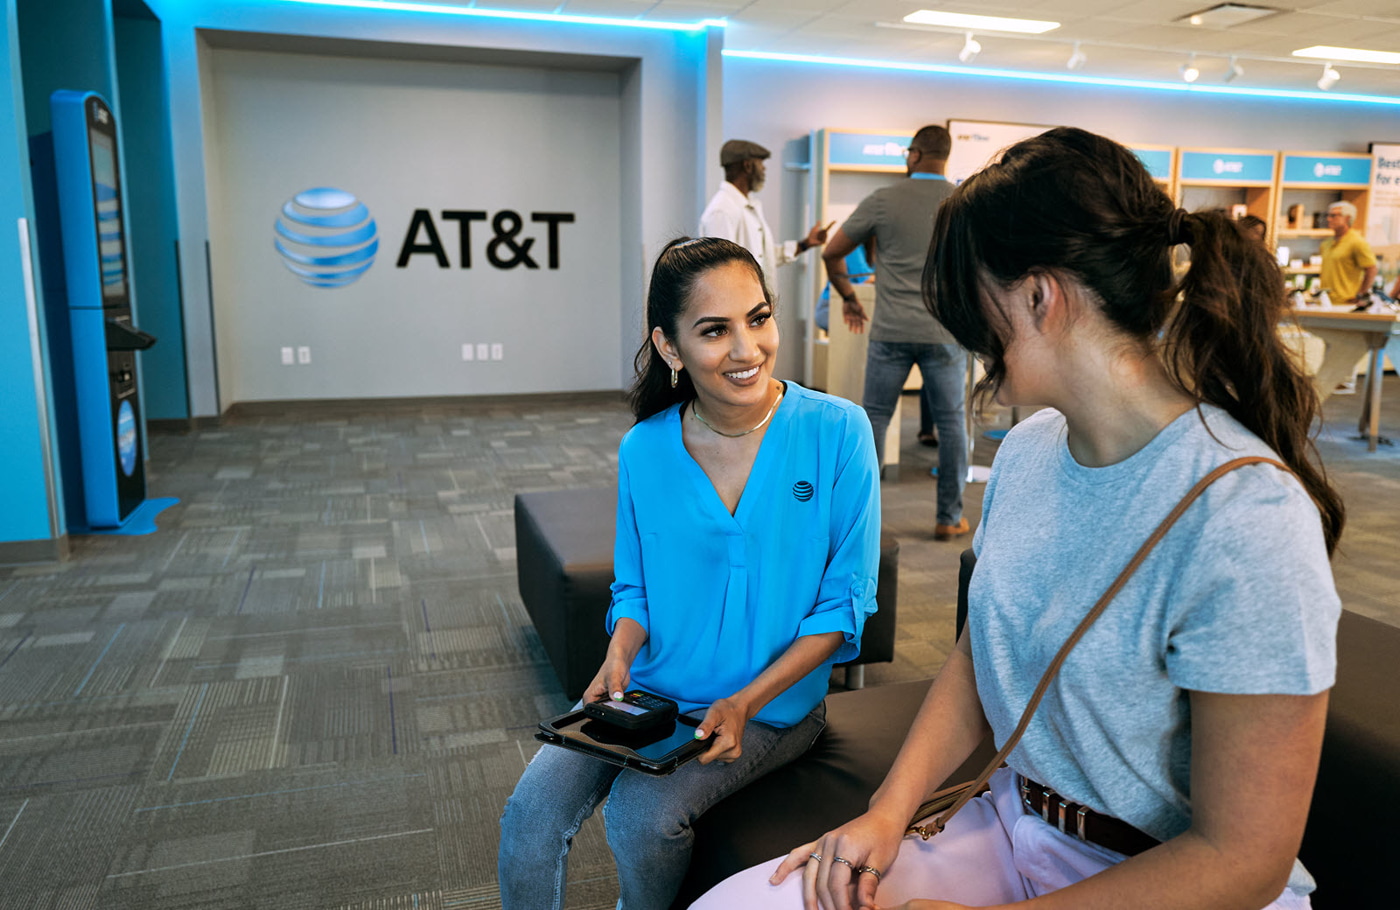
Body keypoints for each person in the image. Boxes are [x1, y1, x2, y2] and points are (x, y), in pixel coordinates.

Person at [693, 127, 1345, 910]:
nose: (970, 339)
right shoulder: (1031, 451)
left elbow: (1243, 860)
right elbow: (978, 658)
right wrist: (888, 813)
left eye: (977, 308)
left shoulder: (1247, 516)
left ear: (1040, 296)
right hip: (1016, 827)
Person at [497, 237, 882, 910]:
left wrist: (745, 702)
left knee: (640, 818)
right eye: (714, 331)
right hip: (652, 696)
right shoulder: (646, 448)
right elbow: (635, 588)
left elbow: (841, 609)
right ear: (670, 347)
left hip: (773, 709)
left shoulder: (838, 432)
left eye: (758, 319)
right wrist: (619, 651)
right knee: (529, 815)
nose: (747, 350)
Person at [822, 124, 968, 541]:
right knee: (951, 423)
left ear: (915, 155)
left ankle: (860, 519)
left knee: (874, 420)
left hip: (889, 330)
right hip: (945, 332)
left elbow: (833, 252)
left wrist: (849, 297)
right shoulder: (960, 202)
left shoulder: (883, 200)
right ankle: (948, 516)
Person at [700, 139, 832, 289]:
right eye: (761, 163)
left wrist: (805, 244)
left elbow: (763, 257)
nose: (764, 169)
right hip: (740, 308)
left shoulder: (748, 206)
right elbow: (721, 271)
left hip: (754, 305)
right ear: (748, 166)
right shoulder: (722, 211)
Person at [1320, 200, 1377, 304]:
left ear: (1347, 218)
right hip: (1326, 300)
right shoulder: (1326, 243)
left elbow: (1371, 269)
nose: (1329, 219)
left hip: (1346, 301)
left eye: (1334, 216)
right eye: (1328, 215)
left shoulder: (1357, 242)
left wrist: (1360, 294)